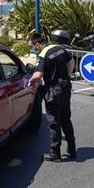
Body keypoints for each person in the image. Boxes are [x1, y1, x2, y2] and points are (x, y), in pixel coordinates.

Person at [28, 33, 76, 162]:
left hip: (53, 91)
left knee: (54, 121)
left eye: (32, 46)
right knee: (66, 119)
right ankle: (72, 149)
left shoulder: (43, 55)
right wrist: (67, 76)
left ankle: (55, 153)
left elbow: (38, 75)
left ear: (38, 44)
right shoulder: (59, 48)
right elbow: (71, 61)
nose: (32, 49)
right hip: (65, 88)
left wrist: (30, 83)